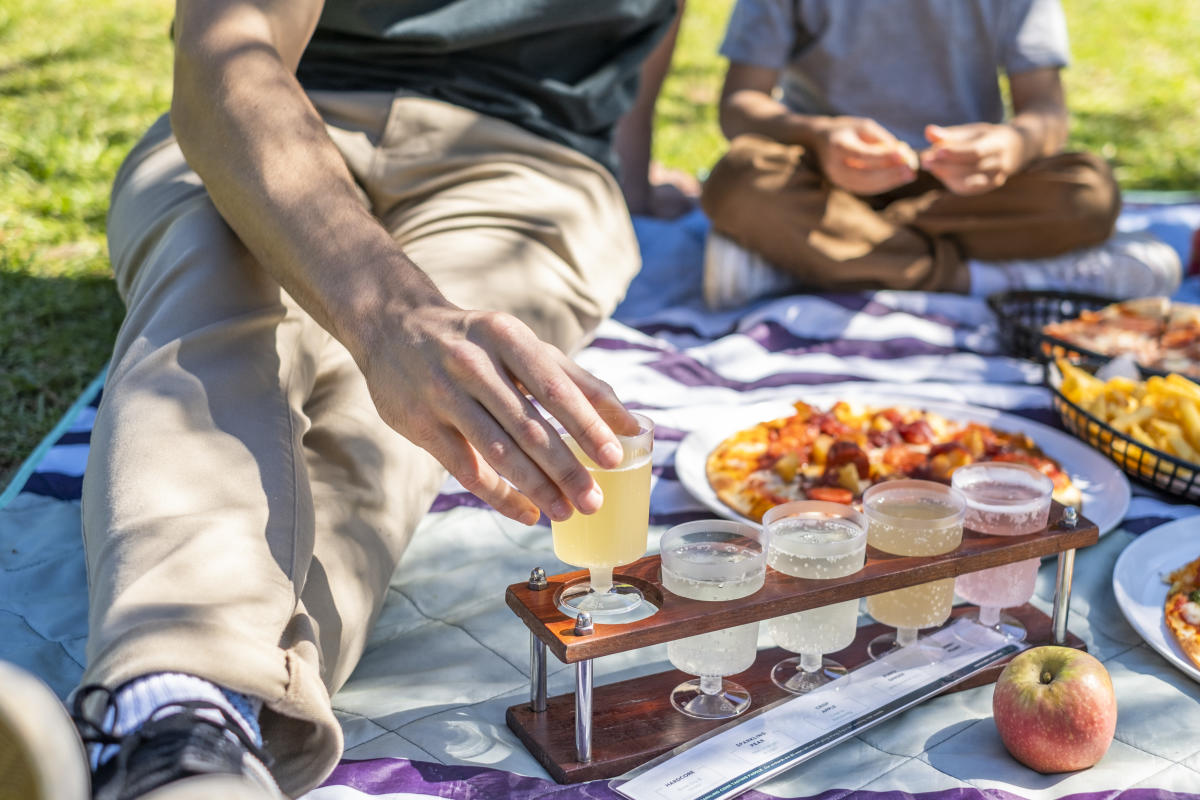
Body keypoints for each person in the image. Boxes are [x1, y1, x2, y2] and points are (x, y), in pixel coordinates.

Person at [0, 1, 683, 798]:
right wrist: (391, 316)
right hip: (271, 106)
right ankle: (185, 726)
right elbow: (225, 41)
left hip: (535, 167)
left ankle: (176, 726)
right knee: (209, 304)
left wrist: (634, 172)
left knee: (424, 420)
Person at [698, 0, 1182, 309]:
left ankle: (808, 260)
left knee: (1089, 191)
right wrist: (819, 136)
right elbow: (740, 104)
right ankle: (989, 276)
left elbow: (1046, 111)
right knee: (740, 178)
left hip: (963, 195)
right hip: (825, 185)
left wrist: (1013, 145)